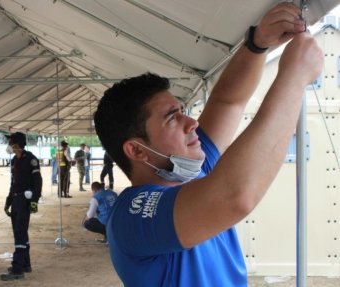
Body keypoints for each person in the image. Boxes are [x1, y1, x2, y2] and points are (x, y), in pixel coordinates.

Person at [93, 3, 323, 286]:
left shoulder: (194, 173)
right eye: (172, 118)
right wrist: (294, 78)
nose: (192, 124)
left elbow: (228, 101)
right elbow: (235, 196)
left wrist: (256, 45)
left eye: (182, 111)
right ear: (137, 150)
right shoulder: (131, 216)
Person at [1, 132, 42, 281]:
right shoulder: (13, 161)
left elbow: (38, 181)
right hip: (16, 200)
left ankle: (17, 268)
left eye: (10, 143)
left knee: (20, 232)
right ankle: (25, 264)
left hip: (25, 200)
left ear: (16, 144)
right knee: (19, 232)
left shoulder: (31, 160)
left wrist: (34, 200)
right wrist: (8, 201)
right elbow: (13, 183)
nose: (9, 146)